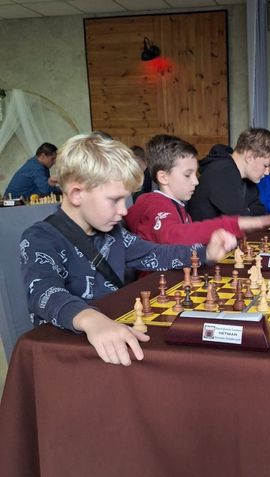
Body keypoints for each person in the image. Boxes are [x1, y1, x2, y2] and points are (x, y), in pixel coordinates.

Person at [20, 133, 236, 367]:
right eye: (115, 200)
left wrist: (204, 253)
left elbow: (155, 254)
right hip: (67, 356)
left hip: (114, 342)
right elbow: (43, 292)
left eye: (126, 200)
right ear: (76, 194)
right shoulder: (40, 238)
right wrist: (90, 319)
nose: (124, 210)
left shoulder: (114, 233)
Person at [125, 134, 270, 245]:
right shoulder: (156, 207)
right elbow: (176, 236)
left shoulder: (179, 206)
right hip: (158, 278)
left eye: (195, 174)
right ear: (163, 177)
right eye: (187, 175)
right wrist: (230, 225)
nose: (196, 182)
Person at [187, 127, 270, 220]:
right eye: (265, 165)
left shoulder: (244, 177)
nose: (267, 172)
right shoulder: (223, 173)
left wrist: (247, 212)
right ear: (250, 157)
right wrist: (247, 212)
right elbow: (244, 222)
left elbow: (260, 210)